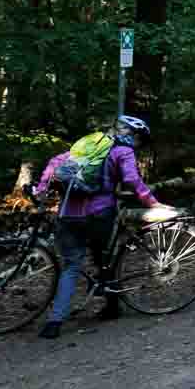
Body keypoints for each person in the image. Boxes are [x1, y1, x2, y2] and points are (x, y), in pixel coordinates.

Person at [31, 115, 164, 339]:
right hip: (99, 214)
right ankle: (112, 306)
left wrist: (40, 189)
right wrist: (152, 202)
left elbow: (56, 162)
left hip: (68, 214)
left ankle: (54, 322)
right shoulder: (123, 151)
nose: (139, 144)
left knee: (71, 266)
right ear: (133, 135)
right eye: (139, 139)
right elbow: (132, 180)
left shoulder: (89, 144)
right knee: (106, 258)